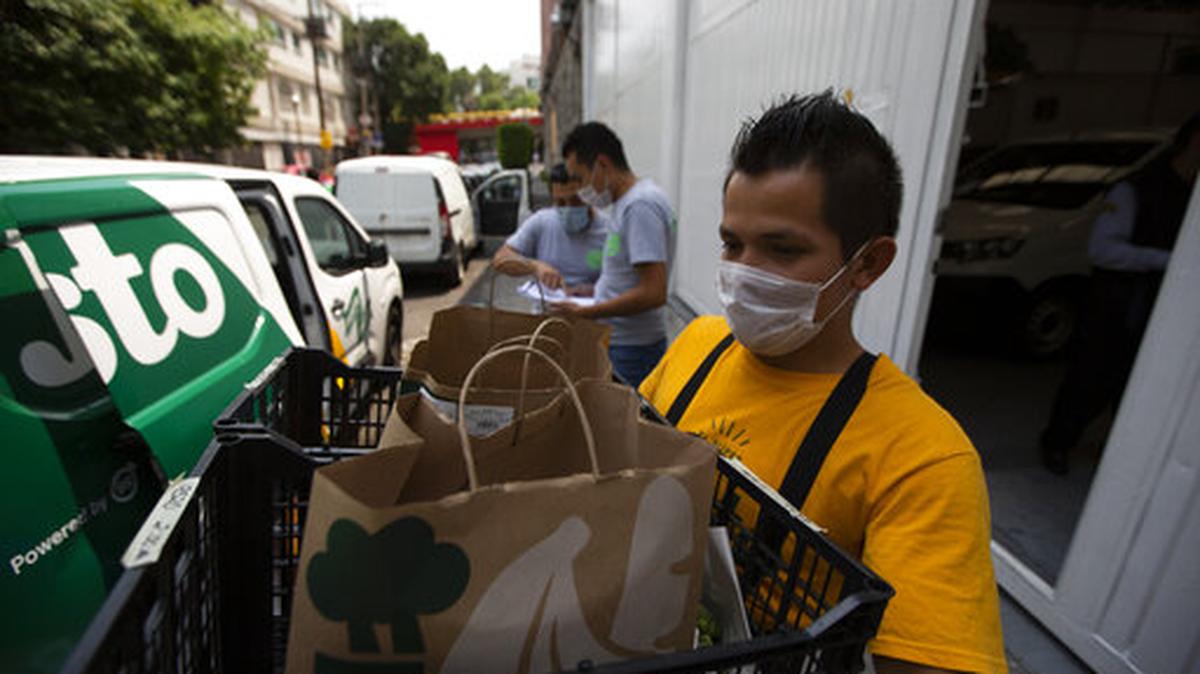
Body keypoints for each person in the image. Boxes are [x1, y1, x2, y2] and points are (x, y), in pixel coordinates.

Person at [639, 92, 1006, 673]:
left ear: (868, 263)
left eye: (782, 250)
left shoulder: (924, 458)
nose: (742, 275)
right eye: (732, 243)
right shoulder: (696, 345)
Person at [1039, 112, 1200, 475]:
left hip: (1161, 312)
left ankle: (1115, 457)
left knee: (1139, 389)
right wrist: (1170, 260)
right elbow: (1103, 249)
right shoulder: (1138, 189)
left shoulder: (1191, 197)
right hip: (1117, 305)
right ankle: (1057, 443)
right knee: (1089, 378)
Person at [551, 122, 676, 388]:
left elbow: (654, 291)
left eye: (581, 178)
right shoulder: (626, 204)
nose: (582, 189)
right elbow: (628, 277)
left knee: (623, 424)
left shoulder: (640, 206)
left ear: (603, 165)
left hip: (634, 348)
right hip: (623, 343)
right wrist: (593, 292)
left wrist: (591, 311)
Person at [491, 163, 610, 295]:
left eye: (576, 201)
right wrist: (534, 266)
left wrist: (596, 290)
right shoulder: (541, 222)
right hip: (547, 313)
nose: (568, 208)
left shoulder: (611, 231)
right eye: (561, 203)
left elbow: (628, 281)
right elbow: (500, 259)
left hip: (594, 311)